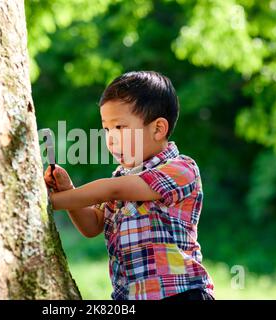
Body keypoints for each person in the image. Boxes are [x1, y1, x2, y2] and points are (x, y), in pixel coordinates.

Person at [44, 71, 214, 300]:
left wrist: (47, 201)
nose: (110, 138)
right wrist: (67, 190)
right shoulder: (123, 176)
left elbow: (112, 189)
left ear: (157, 129)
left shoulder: (181, 169)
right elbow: (92, 225)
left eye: (120, 127)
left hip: (180, 293)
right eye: (106, 129)